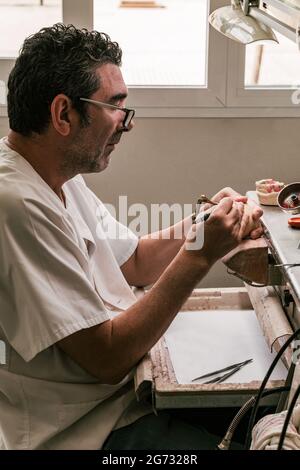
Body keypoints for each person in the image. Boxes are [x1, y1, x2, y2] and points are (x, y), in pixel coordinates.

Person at [0, 23, 263, 450]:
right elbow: (107, 357)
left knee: (263, 413)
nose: (127, 124)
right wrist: (200, 255)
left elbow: (134, 260)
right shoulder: (17, 205)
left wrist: (204, 223)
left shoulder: (55, 175)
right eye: (115, 107)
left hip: (119, 398)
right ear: (63, 114)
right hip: (84, 429)